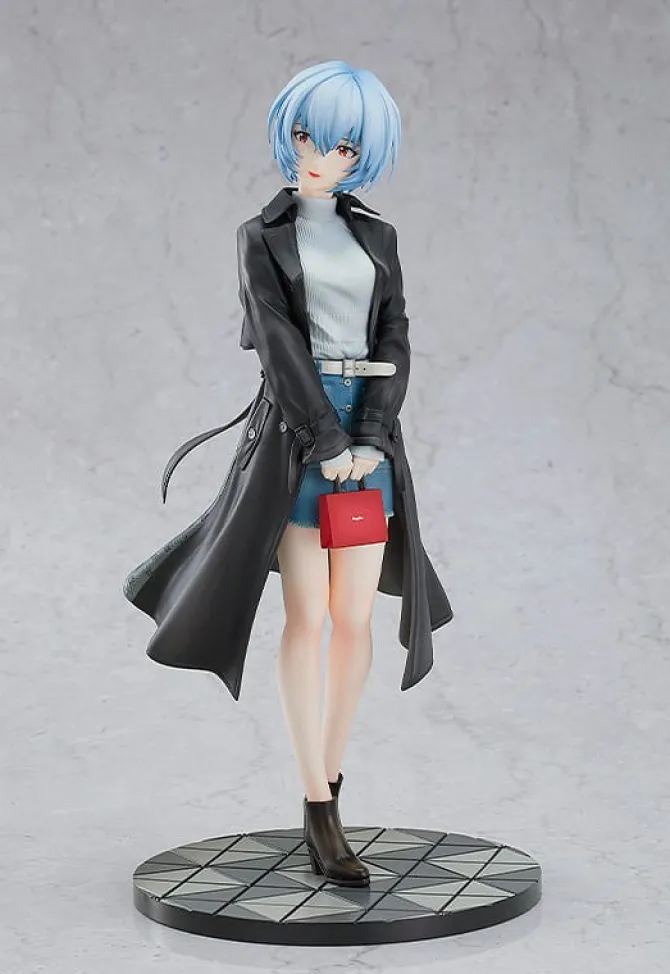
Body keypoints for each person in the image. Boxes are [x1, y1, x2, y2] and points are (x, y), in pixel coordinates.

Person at [123, 60, 454, 890]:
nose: (320, 156)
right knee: (305, 615)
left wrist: (369, 436)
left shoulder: (379, 236)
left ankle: (332, 778)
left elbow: (397, 336)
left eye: (343, 145)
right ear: (288, 134)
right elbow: (275, 344)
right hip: (296, 437)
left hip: (371, 438)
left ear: (363, 155)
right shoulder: (261, 237)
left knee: (356, 619)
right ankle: (315, 801)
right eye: (308, 136)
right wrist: (323, 439)